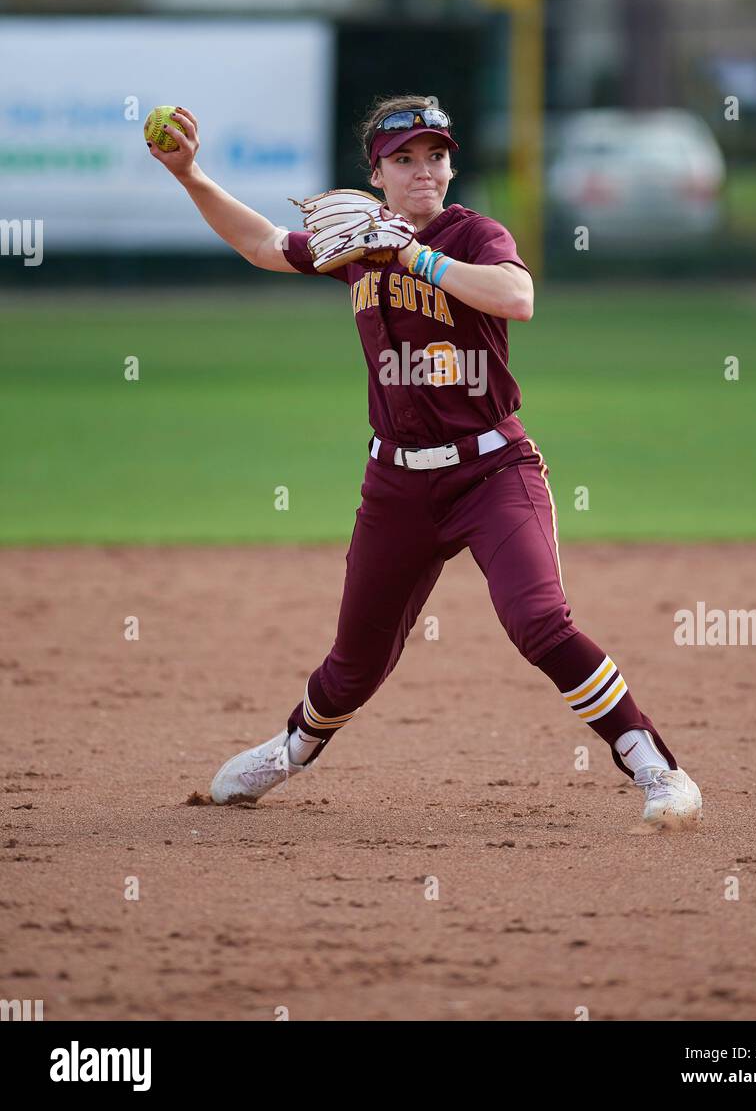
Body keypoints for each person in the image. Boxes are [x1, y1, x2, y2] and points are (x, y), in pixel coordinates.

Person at [147, 95, 702, 828]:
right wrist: (191, 176)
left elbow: (517, 296)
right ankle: (289, 751)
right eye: (403, 160)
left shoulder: (474, 234)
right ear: (375, 173)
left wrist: (413, 253)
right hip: (397, 486)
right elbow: (261, 244)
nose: (422, 172)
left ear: (451, 165)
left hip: (492, 472)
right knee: (352, 668)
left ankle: (655, 768)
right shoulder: (354, 245)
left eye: (434, 156)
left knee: (539, 622)